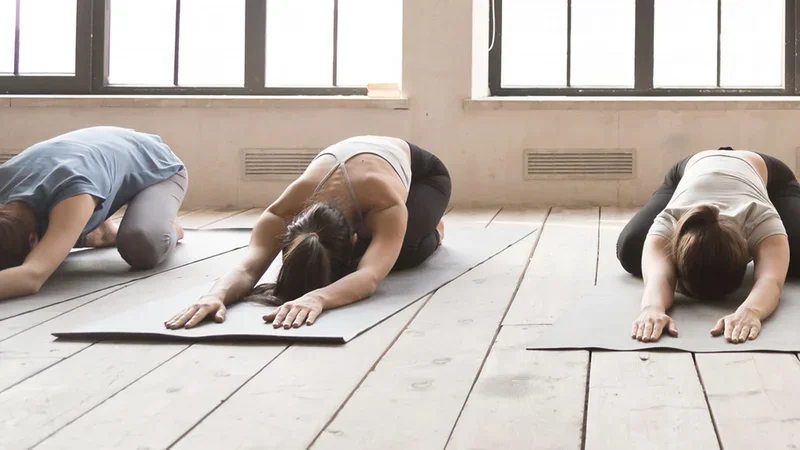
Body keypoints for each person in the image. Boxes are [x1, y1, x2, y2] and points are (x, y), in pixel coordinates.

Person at [164, 135, 451, 330]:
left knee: (398, 254)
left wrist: (319, 297)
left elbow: (369, 277)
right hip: (357, 170)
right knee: (340, 255)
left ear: (353, 238)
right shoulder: (282, 212)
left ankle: (435, 228)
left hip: (424, 176)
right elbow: (248, 267)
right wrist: (215, 296)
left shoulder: (384, 202)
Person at [615, 147, 797, 345]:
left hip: (770, 177)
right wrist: (651, 308)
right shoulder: (672, 219)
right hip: (691, 169)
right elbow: (661, 277)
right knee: (632, 249)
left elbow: (771, 280)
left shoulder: (759, 217)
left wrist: (751, 311)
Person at [0, 126, 188, 301]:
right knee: (55, 240)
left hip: (158, 164)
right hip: (91, 156)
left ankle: (165, 223)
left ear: (33, 239)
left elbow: (32, 276)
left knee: (142, 245)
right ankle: (100, 232)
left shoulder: (73, 193)